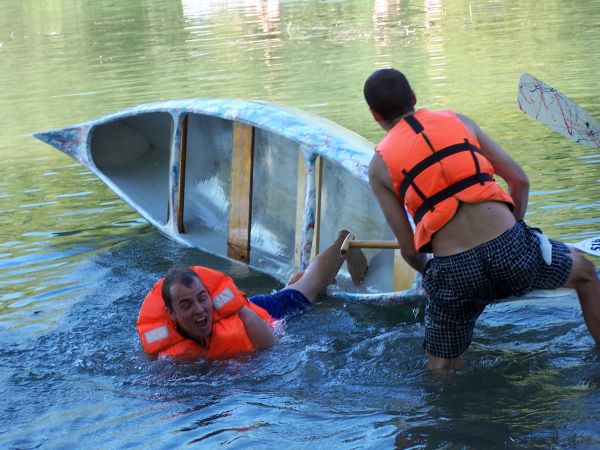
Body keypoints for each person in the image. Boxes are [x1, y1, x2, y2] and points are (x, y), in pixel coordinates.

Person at [364, 68, 600, 369]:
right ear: (413, 98)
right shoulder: (458, 121)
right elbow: (520, 181)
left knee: (441, 368)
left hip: (455, 270)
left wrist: (433, 277)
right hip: (511, 249)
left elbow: (410, 251)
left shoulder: (378, 167)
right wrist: (515, 234)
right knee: (585, 273)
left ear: (374, 115)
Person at [137, 230, 367, 360]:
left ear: (210, 296)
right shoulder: (164, 351)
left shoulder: (239, 313)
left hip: (264, 315)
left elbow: (271, 346)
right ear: (172, 314)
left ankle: (344, 244)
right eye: (186, 305)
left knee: (309, 288)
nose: (198, 309)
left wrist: (239, 308)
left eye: (202, 298)